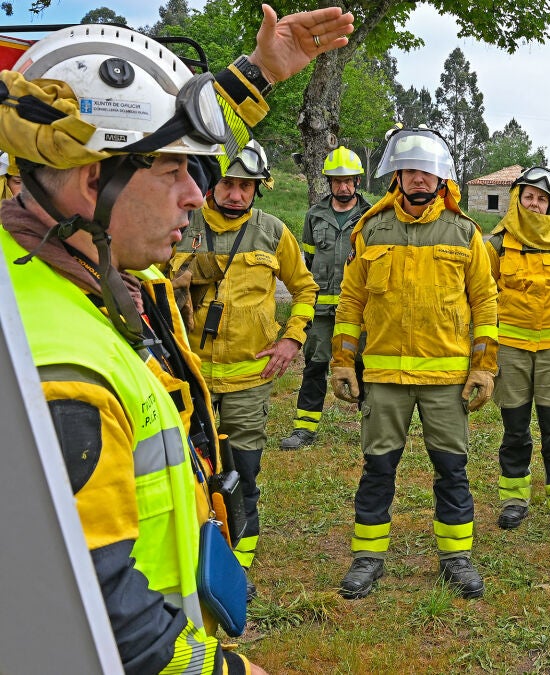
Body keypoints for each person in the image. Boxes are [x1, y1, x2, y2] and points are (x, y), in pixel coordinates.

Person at [0, 8, 353, 673]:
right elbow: (94, 614)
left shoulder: (87, 260)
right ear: (93, 182)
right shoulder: (59, 371)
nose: (199, 195)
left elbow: (156, 142)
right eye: (175, 173)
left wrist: (260, 72)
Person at [333, 126, 498, 600]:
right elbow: (351, 300)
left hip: (446, 378)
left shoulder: (465, 233)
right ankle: (367, 559)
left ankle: (456, 559)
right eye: (410, 171)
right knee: (378, 468)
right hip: (385, 378)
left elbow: (486, 302)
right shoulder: (372, 230)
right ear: (397, 176)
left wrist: (483, 367)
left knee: (452, 469)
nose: (419, 179)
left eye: (427, 171)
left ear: (441, 177)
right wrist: (343, 361)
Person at [167, 138, 319, 592]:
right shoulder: (182, 221)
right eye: (228, 184)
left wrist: (291, 339)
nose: (235, 195)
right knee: (184, 467)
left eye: (246, 187)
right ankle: (190, 552)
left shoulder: (273, 231)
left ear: (258, 189)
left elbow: (305, 288)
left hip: (249, 377)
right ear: (212, 184)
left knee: (243, 470)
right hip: (187, 373)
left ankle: (238, 563)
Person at [487, 167, 550, 539]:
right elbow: (483, 292)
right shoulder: (495, 245)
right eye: (528, 196)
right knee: (515, 431)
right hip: (511, 350)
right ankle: (514, 501)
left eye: (542, 199)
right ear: (517, 199)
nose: (534, 203)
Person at [279, 145, 373, 449]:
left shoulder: (371, 216)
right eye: (337, 181)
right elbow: (307, 262)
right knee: (315, 366)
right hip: (321, 312)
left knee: (364, 366)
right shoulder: (314, 215)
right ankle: (304, 429)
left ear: (357, 182)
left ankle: (371, 428)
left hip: (359, 311)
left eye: (348, 181)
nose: (343, 187)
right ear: (329, 182)